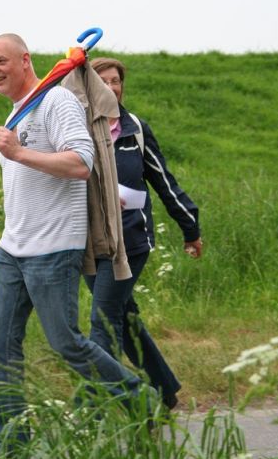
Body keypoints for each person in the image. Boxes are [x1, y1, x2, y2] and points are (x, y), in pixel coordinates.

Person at [0, 35, 145, 457]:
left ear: (25, 60)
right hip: (13, 249)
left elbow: (80, 163)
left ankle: (141, 401)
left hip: (53, 248)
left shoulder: (56, 101)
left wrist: (18, 152)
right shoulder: (18, 110)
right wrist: (17, 152)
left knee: (66, 342)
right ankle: (10, 442)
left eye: (0, 61)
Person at [85, 57, 203, 410]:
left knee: (104, 321)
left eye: (116, 81)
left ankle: (97, 408)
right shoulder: (76, 129)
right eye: (103, 82)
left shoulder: (134, 129)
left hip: (131, 243)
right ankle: (164, 391)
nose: (111, 88)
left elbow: (164, 182)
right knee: (124, 317)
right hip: (89, 244)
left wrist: (190, 227)